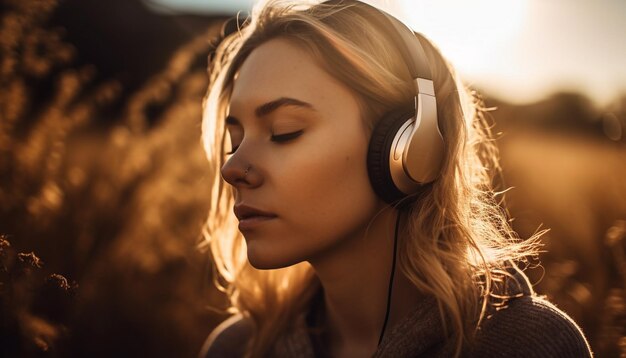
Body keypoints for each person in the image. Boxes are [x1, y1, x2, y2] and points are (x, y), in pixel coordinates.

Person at [199, 0, 593, 356]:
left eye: (284, 131)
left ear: (408, 149)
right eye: (235, 140)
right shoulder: (236, 347)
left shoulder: (525, 345)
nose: (232, 169)